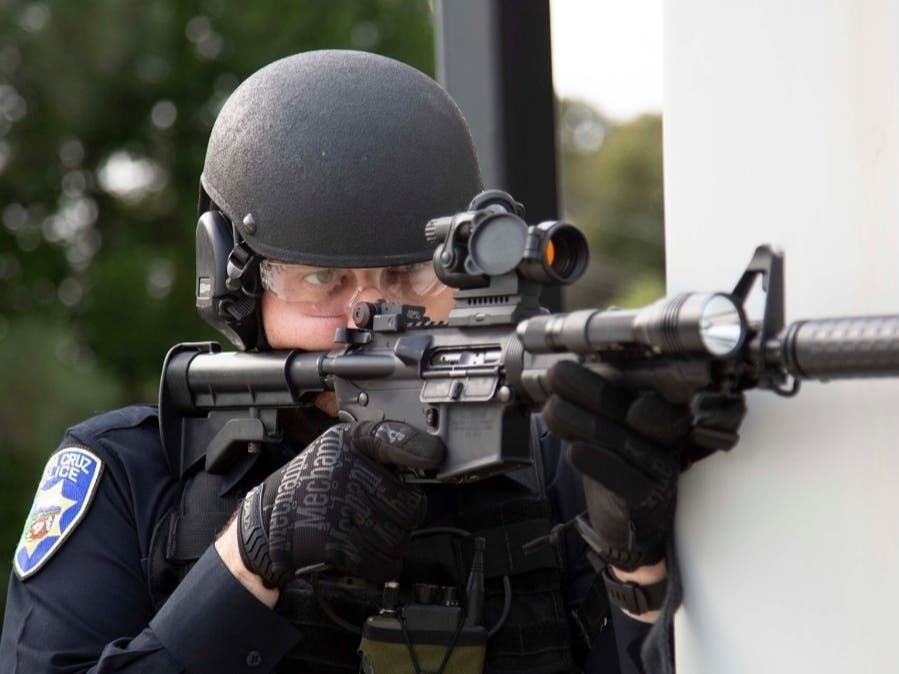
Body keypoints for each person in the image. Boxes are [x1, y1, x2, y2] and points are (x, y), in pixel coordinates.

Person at [0, 50, 743, 674]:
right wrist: (249, 561)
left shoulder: (552, 461)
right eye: (322, 281)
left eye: (407, 276)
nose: (370, 315)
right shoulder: (132, 474)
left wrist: (635, 569)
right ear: (234, 285)